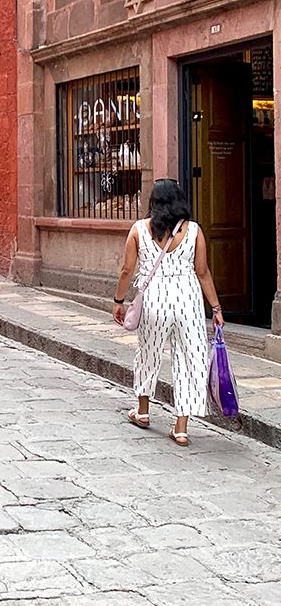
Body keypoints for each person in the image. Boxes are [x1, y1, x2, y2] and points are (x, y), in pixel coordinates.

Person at [113, 178, 224, 447]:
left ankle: (142, 411)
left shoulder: (139, 229)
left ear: (154, 202)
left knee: (148, 352)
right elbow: (202, 272)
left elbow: (127, 270)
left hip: (155, 300)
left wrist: (118, 300)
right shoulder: (195, 231)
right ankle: (181, 427)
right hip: (188, 300)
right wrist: (217, 308)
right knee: (187, 358)